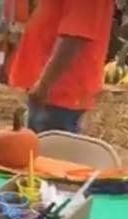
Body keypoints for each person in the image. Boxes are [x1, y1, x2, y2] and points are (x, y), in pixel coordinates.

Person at [6, 0, 114, 133]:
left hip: (57, 94)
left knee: (48, 151)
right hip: (49, 93)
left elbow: (74, 38)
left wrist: (43, 87)